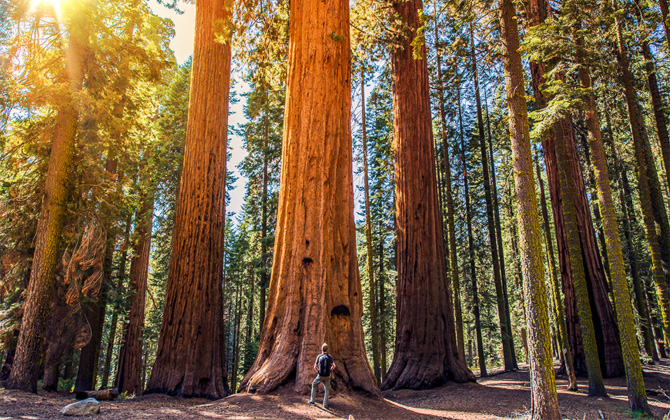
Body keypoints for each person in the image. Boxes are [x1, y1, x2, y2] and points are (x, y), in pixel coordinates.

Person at [308, 343, 335, 409]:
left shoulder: (319, 356)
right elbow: (334, 365)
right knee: (327, 389)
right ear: (327, 349)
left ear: (321, 349)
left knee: (314, 385)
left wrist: (318, 371)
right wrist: (330, 369)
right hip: (327, 376)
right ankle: (325, 405)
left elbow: (315, 367)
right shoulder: (329, 356)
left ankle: (312, 401)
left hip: (320, 375)